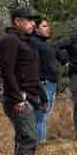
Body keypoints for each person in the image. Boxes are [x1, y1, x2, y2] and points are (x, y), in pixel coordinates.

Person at [0, 6, 47, 155]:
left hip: (30, 97)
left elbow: (29, 72)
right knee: (29, 138)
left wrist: (41, 94)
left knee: (24, 139)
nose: (33, 24)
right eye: (29, 20)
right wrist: (18, 98)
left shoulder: (25, 41)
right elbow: (7, 72)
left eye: (34, 21)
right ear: (17, 21)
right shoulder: (9, 41)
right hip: (18, 100)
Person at [29, 16, 60, 144]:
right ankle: (39, 143)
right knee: (40, 116)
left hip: (52, 83)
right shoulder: (33, 42)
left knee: (45, 115)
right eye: (44, 26)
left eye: (48, 26)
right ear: (36, 29)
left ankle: (41, 141)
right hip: (43, 83)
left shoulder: (44, 43)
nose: (48, 28)